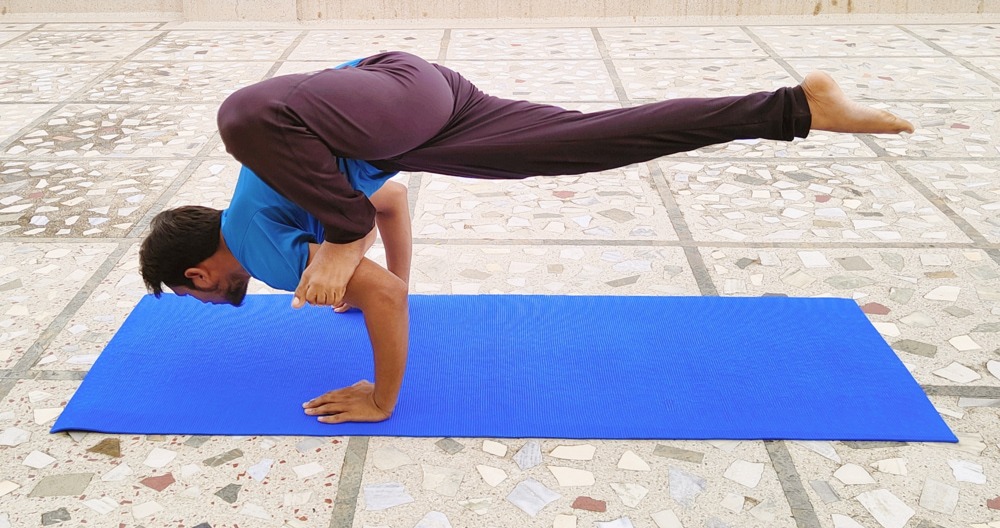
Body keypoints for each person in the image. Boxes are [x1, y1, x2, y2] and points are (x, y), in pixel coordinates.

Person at [139, 51, 914, 425]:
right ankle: (798, 108)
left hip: (369, 103)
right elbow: (398, 201)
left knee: (241, 118)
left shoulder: (261, 240)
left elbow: (380, 288)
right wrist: (394, 276)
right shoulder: (283, 193)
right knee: (597, 139)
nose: (199, 297)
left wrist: (382, 391)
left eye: (187, 290)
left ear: (200, 274)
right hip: (424, 100)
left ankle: (344, 237)